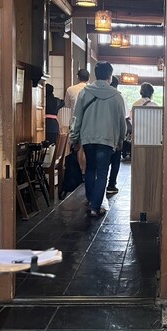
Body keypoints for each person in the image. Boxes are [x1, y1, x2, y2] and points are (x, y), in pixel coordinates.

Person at [70, 62, 126, 217]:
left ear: (95, 74)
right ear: (110, 75)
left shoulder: (84, 92)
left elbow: (77, 117)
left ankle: (91, 201)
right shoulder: (116, 96)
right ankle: (95, 206)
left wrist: (74, 138)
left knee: (90, 168)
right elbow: (121, 121)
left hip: (88, 138)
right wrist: (121, 139)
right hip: (107, 139)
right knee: (102, 173)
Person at [107, 76, 130, 195]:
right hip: (116, 133)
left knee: (102, 163)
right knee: (115, 161)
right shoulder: (120, 96)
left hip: (102, 134)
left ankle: (98, 186)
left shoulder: (99, 95)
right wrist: (122, 137)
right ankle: (111, 184)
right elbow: (125, 117)